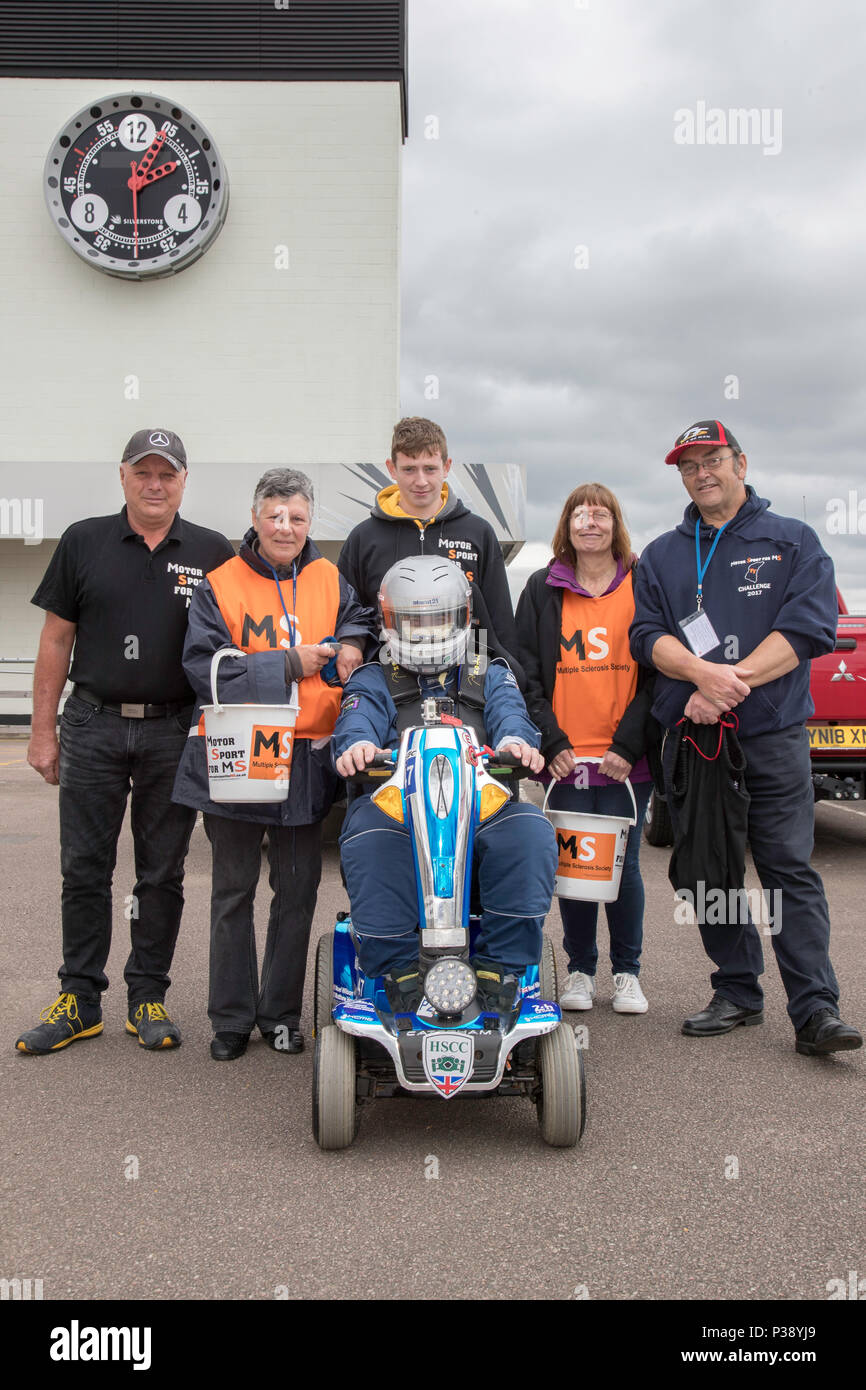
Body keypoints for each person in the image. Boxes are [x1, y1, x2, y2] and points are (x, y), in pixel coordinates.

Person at [630, 419, 862, 1055]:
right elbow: (647, 636)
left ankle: (815, 1010)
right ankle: (737, 990)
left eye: (712, 460)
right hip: (697, 743)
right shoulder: (663, 554)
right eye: (689, 466)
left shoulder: (792, 541)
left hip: (771, 737)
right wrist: (699, 675)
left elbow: (808, 628)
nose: (701, 473)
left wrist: (726, 684)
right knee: (709, 874)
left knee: (788, 869)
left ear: (741, 463)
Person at [16, 429, 234, 1055]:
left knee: (162, 872)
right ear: (123, 476)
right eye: (144, 472)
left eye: (167, 474)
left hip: (175, 728)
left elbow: (232, 644)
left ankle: (147, 997)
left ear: (184, 480)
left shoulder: (213, 552)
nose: (155, 485)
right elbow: (56, 639)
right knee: (84, 868)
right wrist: (42, 731)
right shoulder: (83, 541)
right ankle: (80, 999)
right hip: (93, 724)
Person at [172, 468, 375, 1060]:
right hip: (237, 756)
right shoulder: (220, 584)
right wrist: (288, 663)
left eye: (297, 517)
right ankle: (231, 1019)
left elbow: (358, 618)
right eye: (275, 516)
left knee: (297, 890)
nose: (285, 527)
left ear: (310, 522)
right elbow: (204, 668)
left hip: (305, 760)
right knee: (232, 891)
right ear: (256, 518)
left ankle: (281, 1014)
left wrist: (353, 642)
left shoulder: (329, 576)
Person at [334, 555, 557, 1012]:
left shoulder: (490, 672)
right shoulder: (373, 678)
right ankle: (399, 974)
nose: (427, 632)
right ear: (390, 621)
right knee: (367, 838)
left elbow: (513, 716)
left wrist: (515, 743)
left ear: (464, 617)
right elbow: (356, 721)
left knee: (531, 831)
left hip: (483, 808)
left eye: (438, 620)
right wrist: (358, 746)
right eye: (414, 622)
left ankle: (498, 970)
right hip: (396, 809)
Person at [516, 484, 658, 1015]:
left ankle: (627, 973)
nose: (590, 523)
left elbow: (658, 672)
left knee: (624, 866)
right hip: (566, 762)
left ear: (615, 524)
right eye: (580, 515)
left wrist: (629, 743)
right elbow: (525, 670)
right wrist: (552, 741)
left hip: (625, 761)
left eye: (600, 515)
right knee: (575, 867)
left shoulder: (644, 582)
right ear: (567, 526)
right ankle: (580, 969)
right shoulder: (542, 587)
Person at [338, 415, 521, 668]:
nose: (421, 481)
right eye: (409, 469)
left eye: (430, 469)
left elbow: (500, 621)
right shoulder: (364, 538)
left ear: (447, 466)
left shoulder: (478, 533)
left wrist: (510, 674)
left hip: (466, 678)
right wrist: (352, 643)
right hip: (385, 677)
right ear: (392, 468)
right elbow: (346, 613)